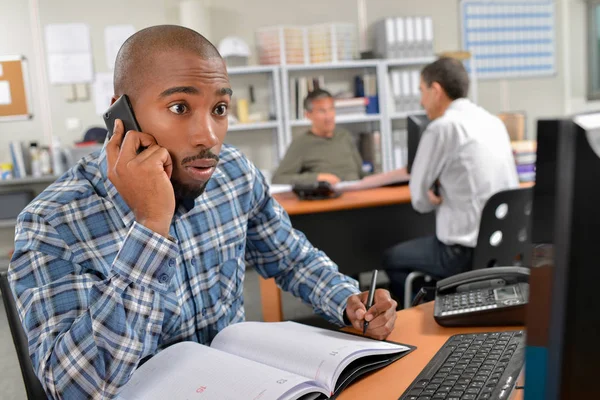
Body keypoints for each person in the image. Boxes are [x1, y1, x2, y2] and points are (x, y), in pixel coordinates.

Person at [7, 26, 397, 399]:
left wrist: (347, 300)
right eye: (179, 107)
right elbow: (72, 388)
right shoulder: (51, 222)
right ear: (121, 117)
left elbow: (290, 258)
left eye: (220, 108)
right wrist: (150, 226)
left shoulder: (234, 173)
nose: (209, 135)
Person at [383, 57, 519, 306]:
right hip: (504, 246)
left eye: (422, 92)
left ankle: (425, 317)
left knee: (392, 258)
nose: (421, 101)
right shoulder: (493, 122)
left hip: (461, 253)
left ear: (436, 90)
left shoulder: (442, 128)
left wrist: (431, 199)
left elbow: (419, 201)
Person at [271, 89, 365, 185]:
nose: (329, 116)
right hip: (328, 197)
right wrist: (316, 178)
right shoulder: (301, 143)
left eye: (331, 109)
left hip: (357, 194)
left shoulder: (345, 136)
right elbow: (279, 179)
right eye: (322, 111)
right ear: (308, 115)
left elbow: (361, 174)